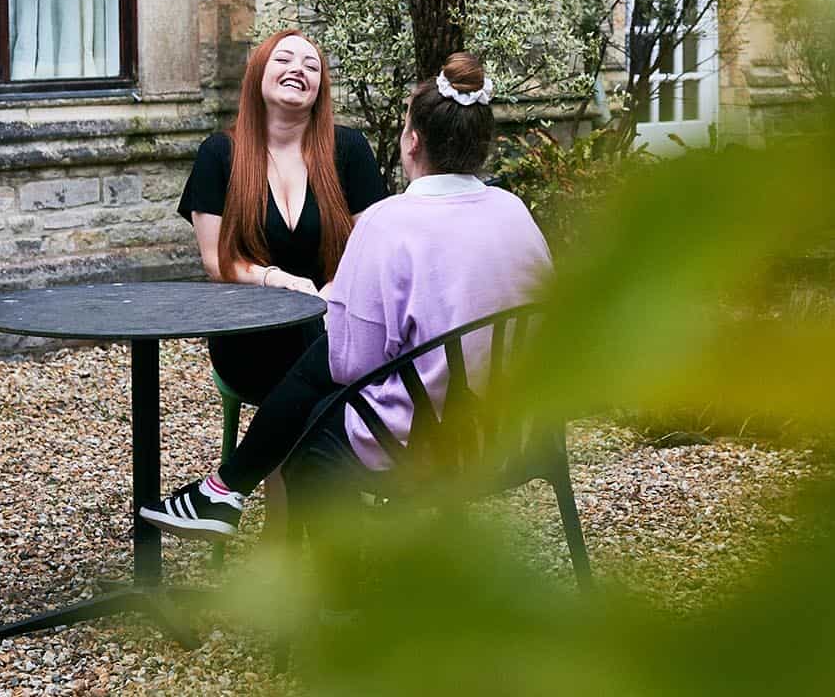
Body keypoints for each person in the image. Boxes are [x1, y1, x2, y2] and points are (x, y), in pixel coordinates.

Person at [142, 52, 551, 538]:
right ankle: (224, 491)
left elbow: (350, 366)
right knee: (324, 373)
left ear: (413, 141)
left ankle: (326, 590)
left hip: (429, 436)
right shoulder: (513, 210)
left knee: (312, 437)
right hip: (515, 427)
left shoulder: (389, 220)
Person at [177, 29, 387, 406]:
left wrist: (334, 294)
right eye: (284, 59)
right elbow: (215, 262)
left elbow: (371, 245)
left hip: (332, 318)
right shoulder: (218, 154)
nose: (298, 69)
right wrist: (279, 281)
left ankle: (255, 466)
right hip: (250, 330)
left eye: (311, 66)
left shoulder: (350, 149)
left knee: (328, 349)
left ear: (320, 88)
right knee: (329, 372)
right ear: (258, 73)